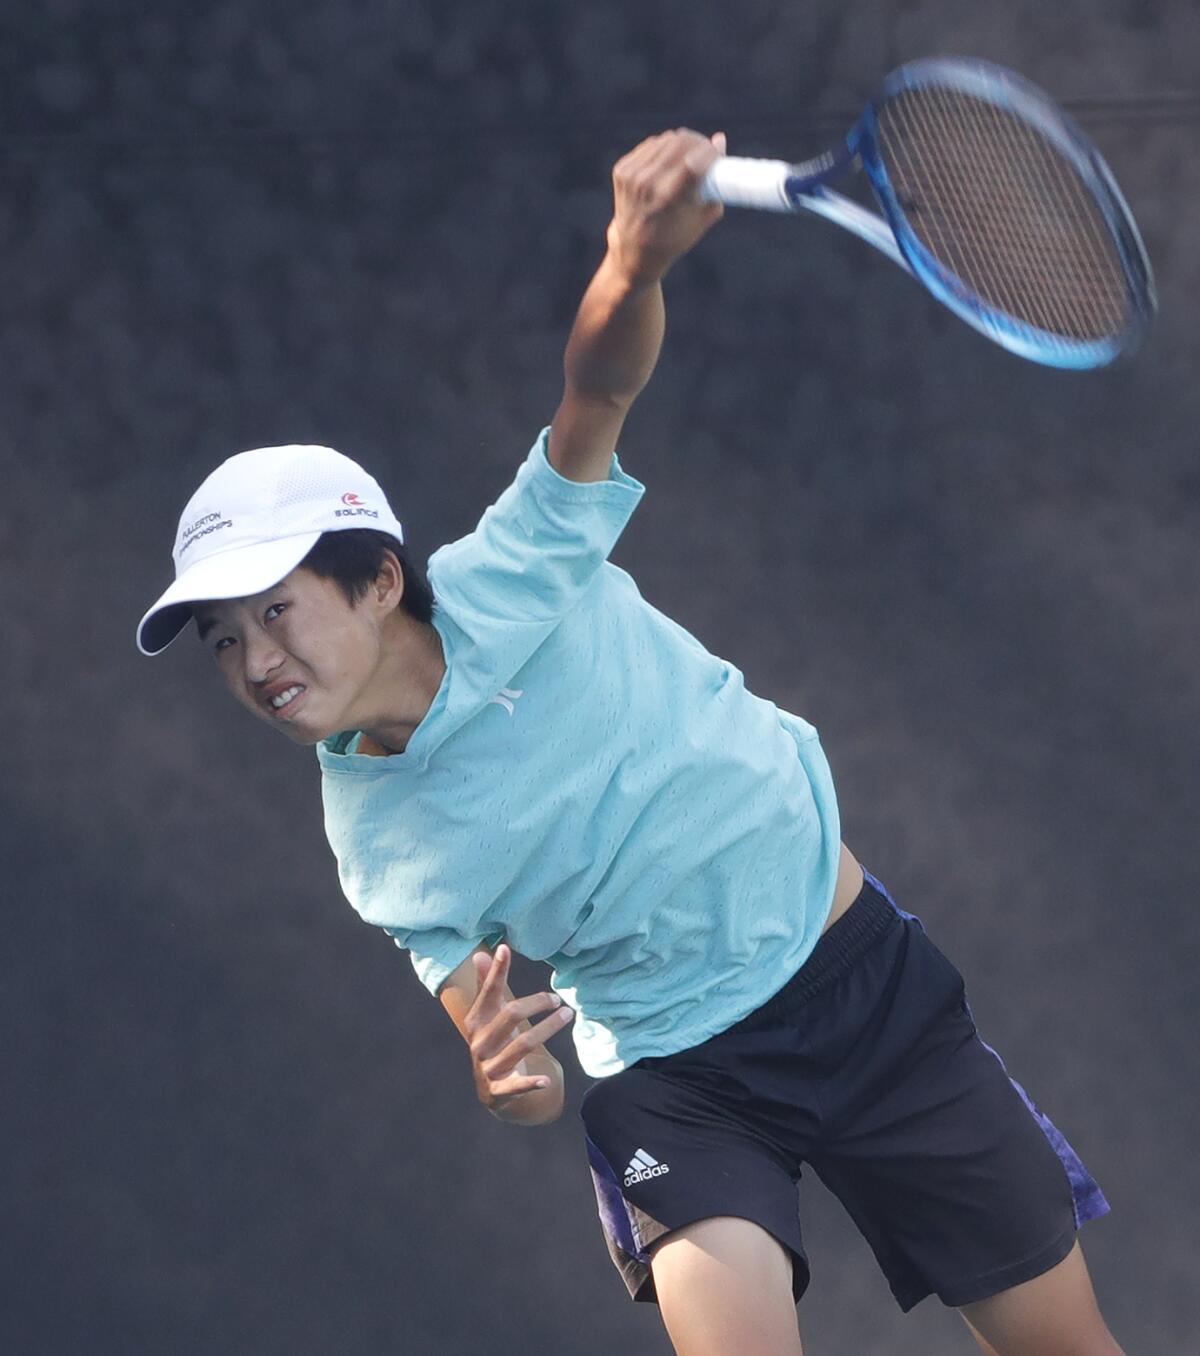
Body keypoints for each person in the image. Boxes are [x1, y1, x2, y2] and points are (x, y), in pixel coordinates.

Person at [137, 129, 1123, 1356]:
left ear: (380, 580)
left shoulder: (515, 571)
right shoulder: (371, 843)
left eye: (274, 613)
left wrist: (631, 261)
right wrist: (515, 1085)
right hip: (682, 1082)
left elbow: (596, 391)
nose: (256, 664)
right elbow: (510, 1061)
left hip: (859, 988)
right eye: (223, 644)